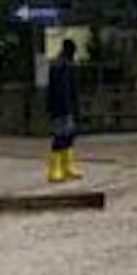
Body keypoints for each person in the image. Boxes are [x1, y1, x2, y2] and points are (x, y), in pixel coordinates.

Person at [46, 38, 83, 183]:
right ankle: (55, 168)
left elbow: (73, 89)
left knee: (68, 136)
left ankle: (67, 166)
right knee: (60, 136)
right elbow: (58, 90)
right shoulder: (59, 66)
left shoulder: (68, 65)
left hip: (67, 107)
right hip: (60, 107)